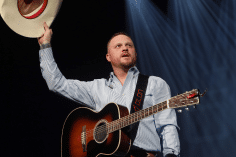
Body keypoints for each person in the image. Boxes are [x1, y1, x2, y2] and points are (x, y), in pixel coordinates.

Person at [37, 22, 180, 157]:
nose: (124, 48)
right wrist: (45, 45)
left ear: (135, 54)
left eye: (129, 45)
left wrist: (171, 154)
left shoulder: (156, 84)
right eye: (118, 46)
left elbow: (168, 125)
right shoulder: (96, 87)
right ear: (108, 57)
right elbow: (56, 83)